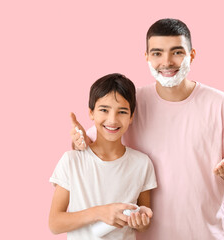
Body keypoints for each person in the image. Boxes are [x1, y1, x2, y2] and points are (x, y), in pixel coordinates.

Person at [71, 19, 224, 239]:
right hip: (146, 234)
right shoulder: (132, 103)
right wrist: (78, 141)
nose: (166, 62)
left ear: (191, 55)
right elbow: (93, 144)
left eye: (176, 52)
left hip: (207, 233)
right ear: (146, 57)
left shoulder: (222, 104)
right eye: (157, 53)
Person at [49, 73, 157, 240]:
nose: (112, 120)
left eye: (122, 111)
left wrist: (142, 222)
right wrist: (100, 213)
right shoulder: (72, 160)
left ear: (131, 117)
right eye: (104, 110)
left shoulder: (142, 164)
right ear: (91, 113)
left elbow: (144, 222)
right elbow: (55, 223)